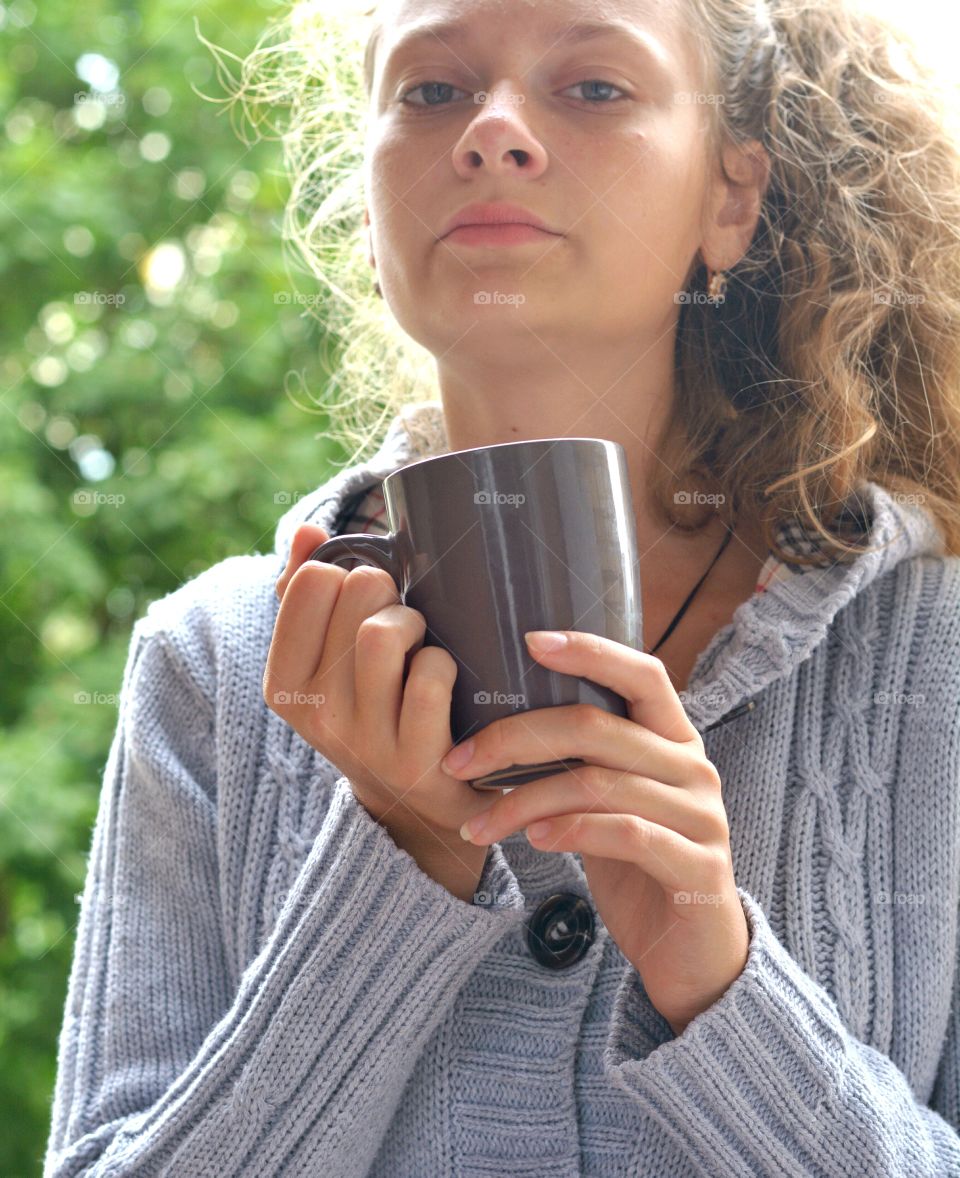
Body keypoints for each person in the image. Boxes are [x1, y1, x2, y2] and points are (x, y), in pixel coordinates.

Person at [44, 0, 960, 1174]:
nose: (494, 132)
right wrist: (399, 857)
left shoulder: (934, 651)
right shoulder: (210, 669)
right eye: (432, 90)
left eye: (592, 88)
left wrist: (719, 980)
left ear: (732, 197)